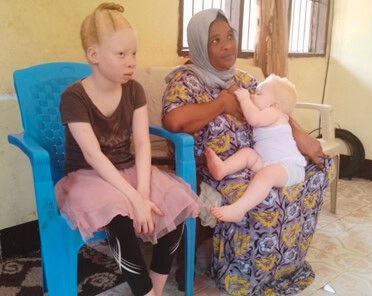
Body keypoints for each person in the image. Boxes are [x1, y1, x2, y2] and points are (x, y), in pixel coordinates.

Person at [162, 8, 333, 296]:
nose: (228, 45)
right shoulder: (186, 80)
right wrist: (220, 104)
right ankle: (243, 273)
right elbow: (174, 120)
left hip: (259, 157)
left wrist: (300, 135)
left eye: (229, 36)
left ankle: (282, 264)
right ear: (200, 46)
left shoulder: (241, 78)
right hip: (218, 165)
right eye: (215, 40)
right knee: (263, 197)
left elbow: (275, 108)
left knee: (315, 173)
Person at [54, 3, 199, 296]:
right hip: (89, 177)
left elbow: (143, 142)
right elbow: (93, 156)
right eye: (121, 54)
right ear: (94, 55)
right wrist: (132, 199)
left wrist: (143, 194)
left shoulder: (134, 90)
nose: (131, 62)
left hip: (130, 171)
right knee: (120, 221)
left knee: (174, 211)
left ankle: (155, 291)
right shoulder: (74, 97)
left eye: (133, 53)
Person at [206, 74, 307, 223]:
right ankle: (223, 168)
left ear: (275, 105)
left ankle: (238, 210)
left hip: (289, 166)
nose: (253, 95)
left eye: (259, 93)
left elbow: (254, 119)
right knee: (248, 153)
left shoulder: (275, 113)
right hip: (267, 162)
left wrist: (244, 99)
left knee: (266, 175)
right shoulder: (270, 112)